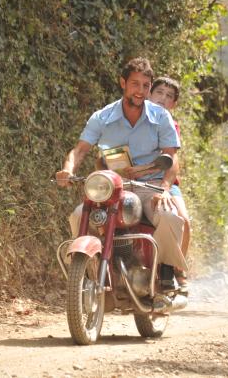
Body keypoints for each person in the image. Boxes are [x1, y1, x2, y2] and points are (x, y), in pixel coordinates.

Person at [55, 58, 187, 286]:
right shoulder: (102, 117)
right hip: (113, 187)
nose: (141, 91)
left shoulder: (161, 116)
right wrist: (67, 170)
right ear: (122, 83)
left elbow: (171, 158)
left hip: (150, 186)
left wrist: (164, 189)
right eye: (135, 84)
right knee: (79, 215)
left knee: (169, 216)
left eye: (146, 86)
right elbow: (80, 150)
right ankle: (91, 273)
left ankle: (166, 271)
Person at [148, 77, 191, 290]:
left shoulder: (170, 125)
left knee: (183, 219)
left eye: (169, 96)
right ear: (149, 94)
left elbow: (172, 159)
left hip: (165, 183)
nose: (163, 99)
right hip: (135, 180)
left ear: (174, 104)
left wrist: (165, 185)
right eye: (159, 93)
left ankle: (176, 264)